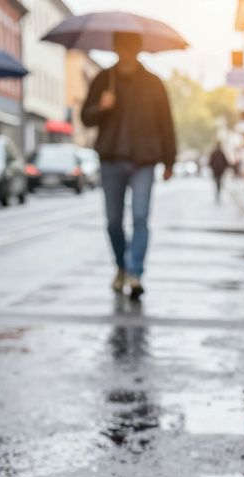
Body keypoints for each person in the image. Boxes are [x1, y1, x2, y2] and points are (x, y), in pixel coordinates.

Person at [80, 31, 176, 299]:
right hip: (111, 159)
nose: (125, 53)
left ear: (137, 50)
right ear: (115, 49)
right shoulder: (103, 80)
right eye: (120, 48)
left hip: (144, 160)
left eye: (130, 48)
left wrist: (170, 160)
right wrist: (101, 107)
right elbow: (85, 118)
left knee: (141, 217)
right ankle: (121, 267)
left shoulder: (153, 83)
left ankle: (135, 272)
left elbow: (166, 124)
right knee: (113, 221)